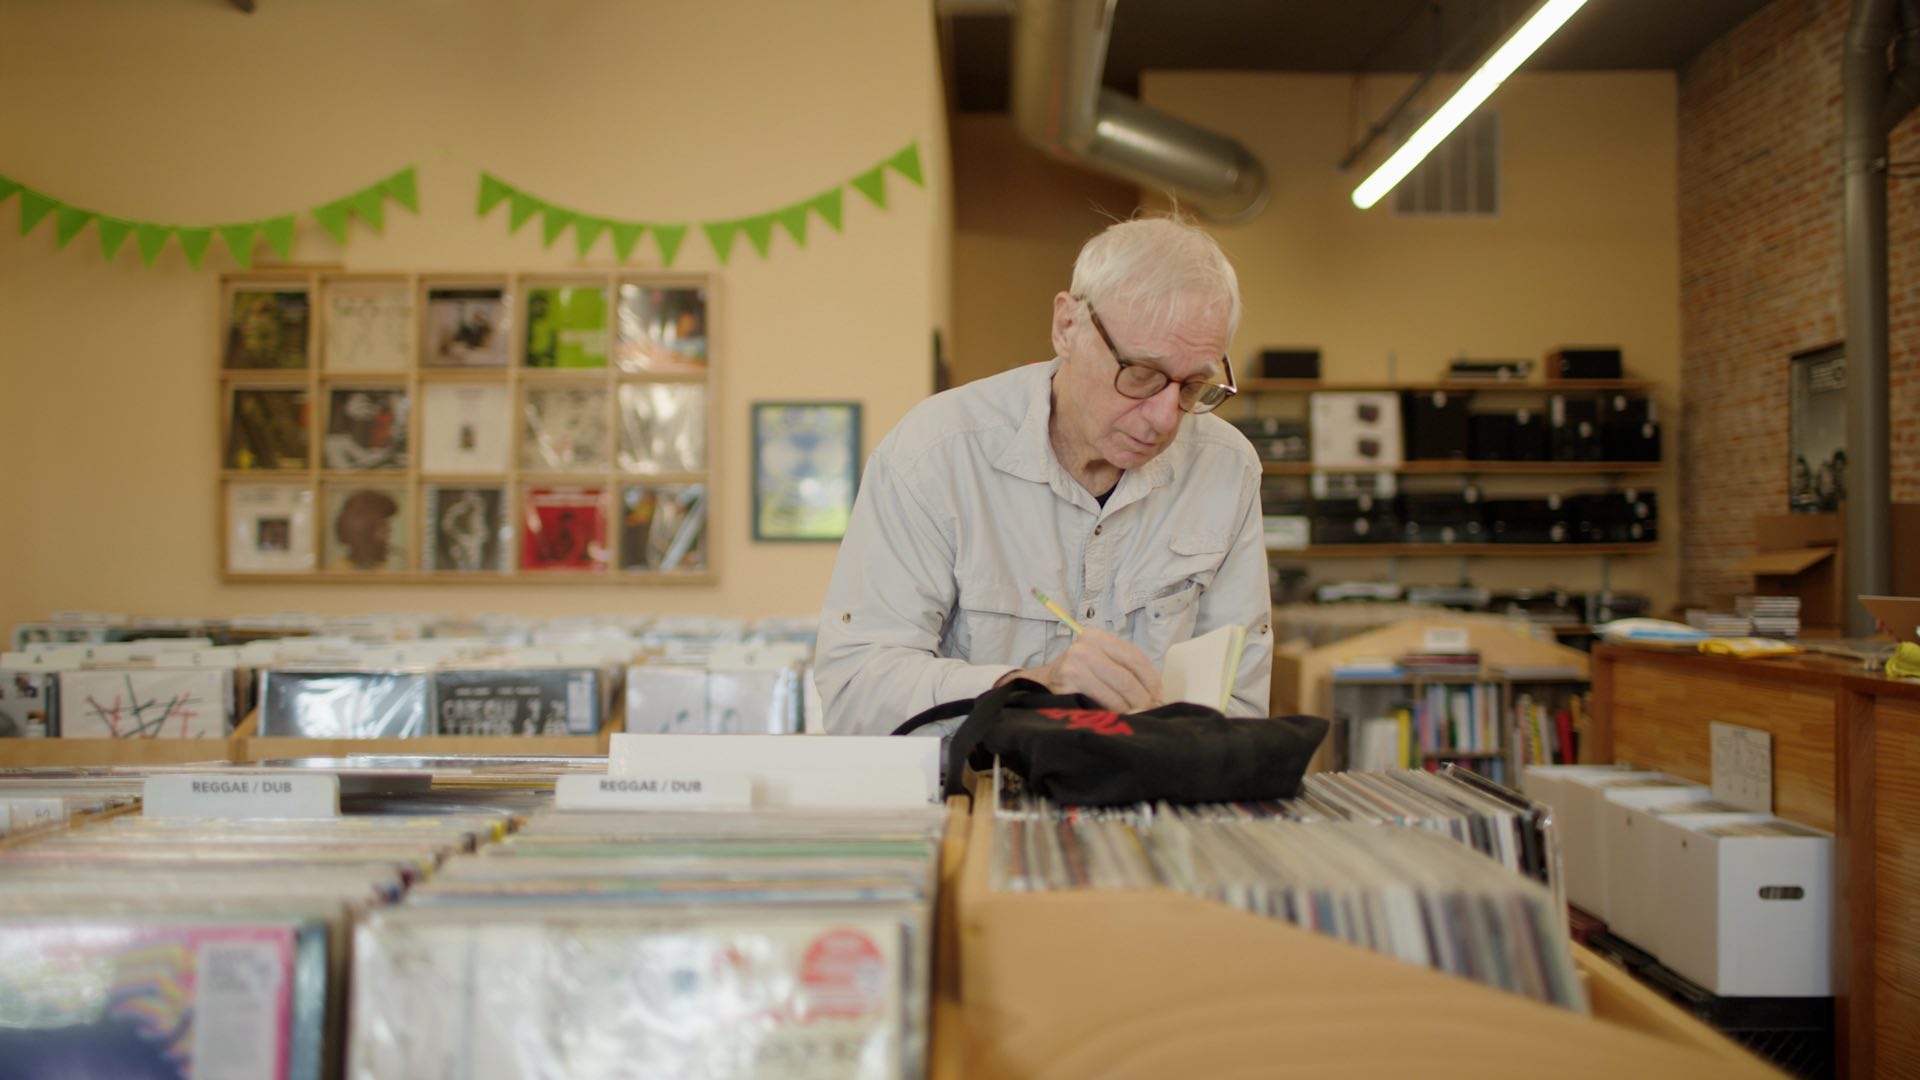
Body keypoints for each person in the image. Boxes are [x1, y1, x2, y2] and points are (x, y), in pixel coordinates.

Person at [816, 215, 1273, 735]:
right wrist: (1027, 689)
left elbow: (1239, 707)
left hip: (1154, 783)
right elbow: (856, 691)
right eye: (1141, 375)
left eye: (1193, 386)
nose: (1166, 418)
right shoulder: (934, 456)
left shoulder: (1226, 468)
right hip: (974, 783)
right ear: (1066, 327)